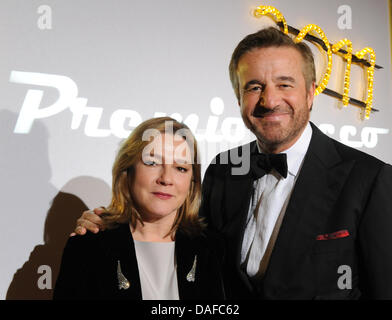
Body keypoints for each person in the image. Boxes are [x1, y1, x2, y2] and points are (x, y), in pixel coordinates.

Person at [73, 27, 392, 299]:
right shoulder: (224, 171)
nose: (269, 100)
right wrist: (108, 223)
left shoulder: (369, 180)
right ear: (239, 99)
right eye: (255, 87)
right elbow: (179, 237)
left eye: (284, 84)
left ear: (310, 93)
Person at [54, 117, 225, 300]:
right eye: (152, 163)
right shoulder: (88, 248)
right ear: (127, 172)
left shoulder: (212, 250)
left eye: (180, 168)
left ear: (192, 182)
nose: (166, 178)